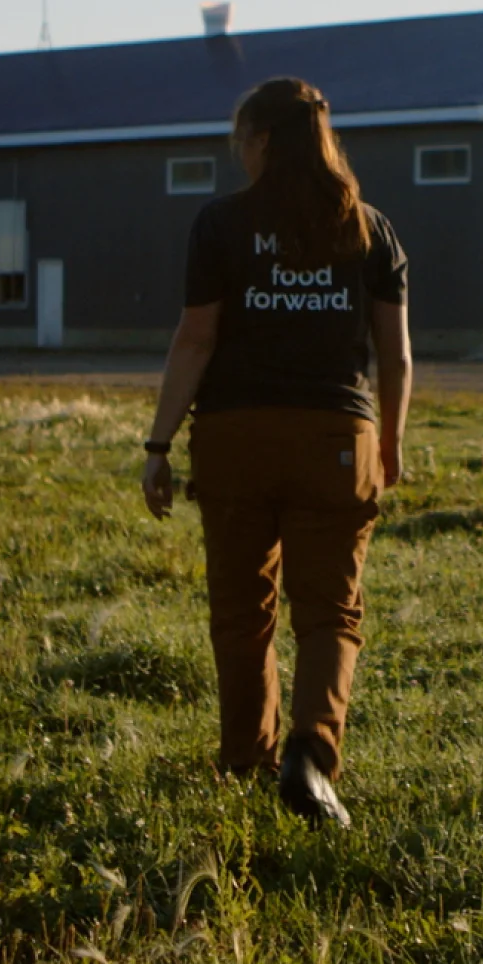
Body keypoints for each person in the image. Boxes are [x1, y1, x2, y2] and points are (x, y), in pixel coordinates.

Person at [141, 77, 411, 827]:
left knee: (241, 610)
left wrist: (158, 444)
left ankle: (244, 759)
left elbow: (195, 338)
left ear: (260, 139)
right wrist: (388, 441)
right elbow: (396, 357)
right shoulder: (368, 228)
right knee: (330, 612)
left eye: (240, 140)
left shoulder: (221, 223)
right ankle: (311, 756)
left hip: (233, 438)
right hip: (337, 437)